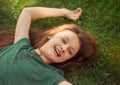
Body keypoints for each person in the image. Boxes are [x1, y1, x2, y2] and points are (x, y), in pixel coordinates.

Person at [0, 7, 98, 85]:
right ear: (51, 35)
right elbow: (27, 12)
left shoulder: (51, 76)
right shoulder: (21, 45)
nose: (64, 48)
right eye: (63, 40)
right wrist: (63, 12)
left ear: (67, 60)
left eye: (70, 52)